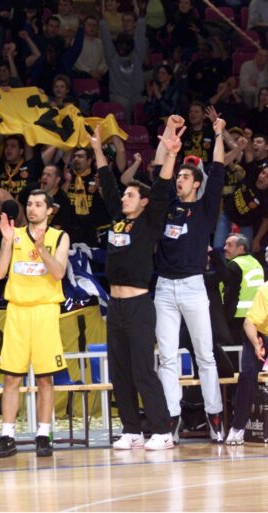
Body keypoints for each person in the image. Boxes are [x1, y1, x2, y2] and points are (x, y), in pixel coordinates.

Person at [89, 121, 179, 451]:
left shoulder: (150, 221)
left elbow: (163, 189)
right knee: (120, 372)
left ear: (143, 202)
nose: (125, 197)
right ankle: (132, 430)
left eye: (131, 195)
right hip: (115, 306)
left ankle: (162, 430)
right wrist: (97, 149)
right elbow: (108, 182)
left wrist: (170, 155)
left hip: (140, 305)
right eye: (125, 194)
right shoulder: (118, 218)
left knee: (143, 370)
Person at [155, 116, 228, 444]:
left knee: (205, 355)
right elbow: (160, 170)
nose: (179, 181)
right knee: (167, 357)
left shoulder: (205, 210)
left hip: (193, 286)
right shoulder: (166, 207)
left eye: (185, 177)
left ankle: (215, 415)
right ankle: (171, 418)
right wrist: (169, 135)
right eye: (179, 177)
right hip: (164, 288)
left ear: (196, 183)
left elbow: (218, 170)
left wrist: (219, 135)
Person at [0, 189, 70, 458]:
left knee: (45, 378)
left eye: (38, 204)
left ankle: (43, 435)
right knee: (11, 377)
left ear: (50, 210)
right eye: (30, 204)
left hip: (45, 311)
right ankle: (7, 436)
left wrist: (40, 249)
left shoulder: (59, 236)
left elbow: (58, 273)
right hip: (17, 311)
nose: (32, 208)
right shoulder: (14, 235)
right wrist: (6, 243)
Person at [230, 274, 268, 445]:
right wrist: (256, 344)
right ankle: (237, 427)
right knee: (248, 373)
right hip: (259, 335)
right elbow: (249, 323)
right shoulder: (265, 290)